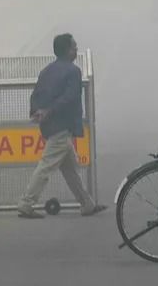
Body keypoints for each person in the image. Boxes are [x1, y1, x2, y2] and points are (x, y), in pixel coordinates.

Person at [16, 33, 106, 219]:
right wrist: (50, 110)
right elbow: (70, 97)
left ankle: (87, 204)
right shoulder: (73, 71)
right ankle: (26, 203)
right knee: (46, 166)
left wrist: (37, 111)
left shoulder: (46, 71)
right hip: (62, 126)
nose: (76, 50)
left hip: (50, 126)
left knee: (70, 168)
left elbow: (36, 94)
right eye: (74, 47)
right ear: (67, 50)